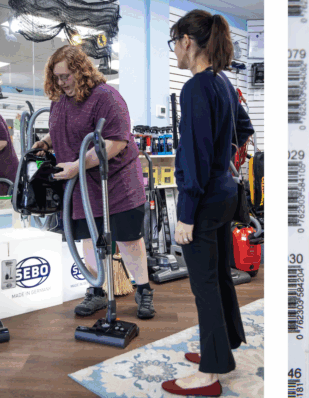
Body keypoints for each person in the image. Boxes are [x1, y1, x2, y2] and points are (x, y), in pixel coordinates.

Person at [162, 10, 254, 396]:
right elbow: (245, 127)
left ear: (187, 41)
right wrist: (227, 158)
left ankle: (211, 371)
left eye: (174, 43)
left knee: (205, 285)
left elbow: (194, 156)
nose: (175, 52)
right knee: (217, 277)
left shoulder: (197, 87)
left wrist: (185, 214)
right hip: (224, 194)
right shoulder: (223, 83)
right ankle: (225, 344)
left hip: (203, 200)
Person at [32, 45, 155, 319]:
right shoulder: (60, 99)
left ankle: (144, 290)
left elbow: (116, 141)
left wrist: (77, 165)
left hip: (116, 183)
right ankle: (97, 290)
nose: (62, 82)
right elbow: (61, 128)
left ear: (80, 70)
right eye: (57, 77)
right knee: (89, 238)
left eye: (66, 76)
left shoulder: (106, 98)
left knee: (128, 240)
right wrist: (46, 142)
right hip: (81, 186)